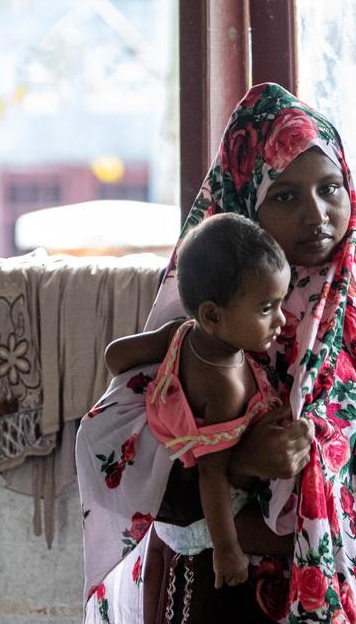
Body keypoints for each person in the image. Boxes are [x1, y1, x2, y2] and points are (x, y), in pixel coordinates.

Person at [76, 83, 356, 624]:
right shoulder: (201, 315)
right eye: (286, 195)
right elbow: (124, 462)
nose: (316, 215)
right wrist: (240, 463)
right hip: (220, 595)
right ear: (244, 203)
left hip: (326, 598)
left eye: (330, 188)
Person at [103, 214, 289, 594]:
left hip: (176, 512)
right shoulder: (225, 385)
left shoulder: (179, 334)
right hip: (204, 524)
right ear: (212, 314)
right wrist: (228, 549)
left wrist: (162, 377)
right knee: (308, 540)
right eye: (266, 308)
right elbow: (212, 474)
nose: (281, 321)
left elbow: (114, 355)